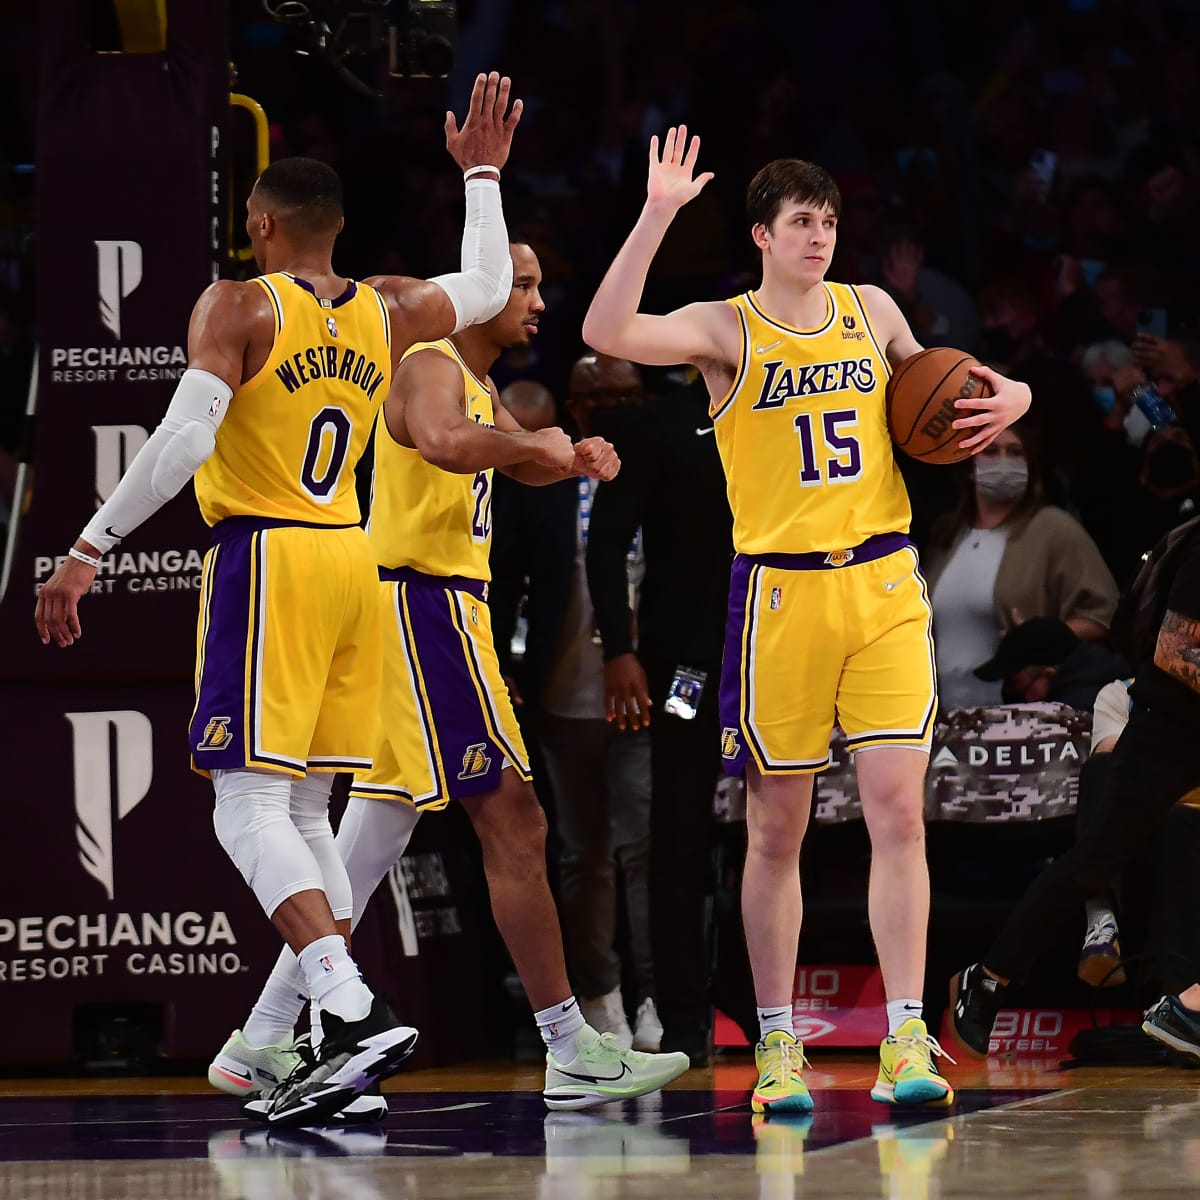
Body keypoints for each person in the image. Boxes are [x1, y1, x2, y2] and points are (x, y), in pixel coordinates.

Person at [35, 72, 523, 1128]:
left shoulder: (240, 304)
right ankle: (317, 1048)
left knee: (244, 804)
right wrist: (481, 173)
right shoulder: (389, 307)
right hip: (354, 563)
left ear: (258, 224)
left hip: (269, 557)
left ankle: (346, 1006)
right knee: (304, 813)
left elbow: (183, 441)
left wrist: (87, 547)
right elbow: (488, 284)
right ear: (335, 227)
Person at [582, 129, 1031, 1113]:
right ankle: (778, 1042)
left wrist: (1018, 392)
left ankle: (906, 1035)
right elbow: (607, 328)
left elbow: (953, 381)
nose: (819, 236)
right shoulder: (725, 328)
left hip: (882, 582)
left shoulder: (873, 310)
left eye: (828, 221)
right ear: (762, 235)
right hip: (779, 595)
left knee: (898, 814)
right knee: (776, 829)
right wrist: (657, 214)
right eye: (800, 222)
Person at [213, 242, 691, 1118]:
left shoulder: (475, 379)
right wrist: (535, 442)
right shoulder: (430, 363)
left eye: (540, 282)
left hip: (415, 610)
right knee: (517, 821)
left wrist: (567, 456)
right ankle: (569, 1046)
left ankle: (262, 1036)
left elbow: (509, 452)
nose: (537, 301)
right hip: (424, 609)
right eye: (523, 284)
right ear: (477, 290)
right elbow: (444, 441)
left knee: (368, 843)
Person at [950, 518, 1200, 1060]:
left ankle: (1187, 1008)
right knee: (1093, 862)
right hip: (1171, 726)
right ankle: (989, 978)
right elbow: (1175, 653)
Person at [584, 364, 756, 1067]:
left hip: (772, 660)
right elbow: (606, 541)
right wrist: (619, 649)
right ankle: (682, 1014)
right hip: (687, 669)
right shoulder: (656, 424)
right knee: (677, 831)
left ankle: (756, 1001)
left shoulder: (778, 410)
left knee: (776, 830)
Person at [492, 353, 658, 1052]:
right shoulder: (544, 485)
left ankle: (658, 996)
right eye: (598, 396)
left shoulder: (657, 472)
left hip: (654, 696)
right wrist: (503, 664)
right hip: (565, 691)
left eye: (625, 393)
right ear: (576, 407)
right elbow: (505, 578)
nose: (612, 406)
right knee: (584, 854)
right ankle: (601, 995)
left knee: (646, 849)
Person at [922, 421, 1120, 711]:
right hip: (945, 716)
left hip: (1020, 715)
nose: (1004, 461)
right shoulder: (946, 536)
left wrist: (1044, 637)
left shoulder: (1054, 529)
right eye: (991, 451)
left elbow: (1107, 616)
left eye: (1015, 452)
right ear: (969, 466)